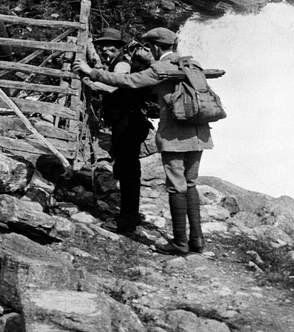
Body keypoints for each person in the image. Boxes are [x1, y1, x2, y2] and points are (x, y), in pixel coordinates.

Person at [74, 27, 212, 255]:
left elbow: (127, 81)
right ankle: (196, 239)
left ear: (156, 47)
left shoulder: (159, 68)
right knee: (190, 183)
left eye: (149, 48)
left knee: (176, 185)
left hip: (175, 135)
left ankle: (179, 243)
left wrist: (91, 71)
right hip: (199, 132)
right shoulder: (192, 64)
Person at [86, 28, 153, 234]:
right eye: (103, 45)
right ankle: (131, 214)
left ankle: (126, 219)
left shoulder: (123, 64)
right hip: (127, 122)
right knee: (128, 171)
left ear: (121, 46)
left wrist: (87, 80)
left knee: (128, 171)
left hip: (129, 123)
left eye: (110, 45)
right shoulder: (117, 63)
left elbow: (113, 87)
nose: (105, 49)